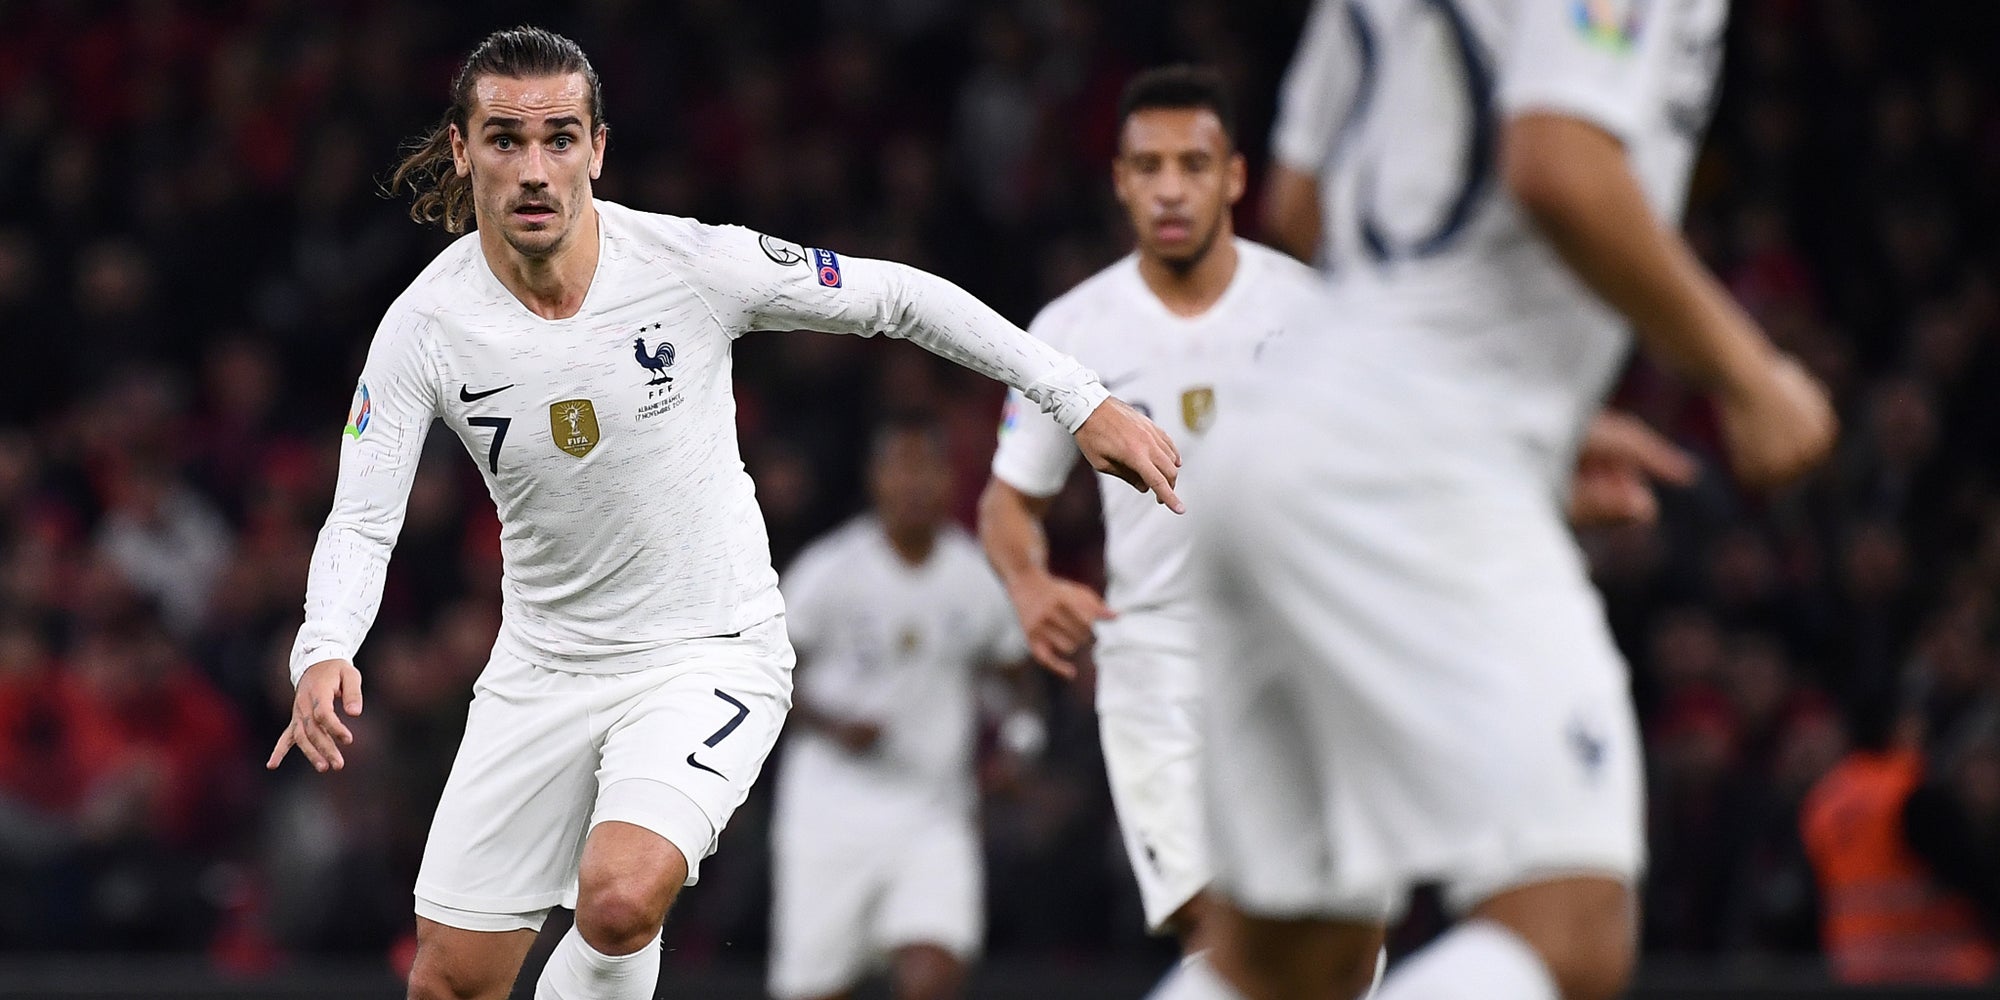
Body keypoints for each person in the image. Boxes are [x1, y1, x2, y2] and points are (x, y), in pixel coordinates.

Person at [262, 26, 1181, 1000]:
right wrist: (325, 646)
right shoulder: (424, 327)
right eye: (503, 140)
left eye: (560, 138)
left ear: (598, 149)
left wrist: (1077, 397)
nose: (534, 169)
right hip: (541, 667)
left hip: (706, 649)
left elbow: (897, 298)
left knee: (617, 898)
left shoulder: (689, 265)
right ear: (461, 150)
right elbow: (363, 516)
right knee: (450, 980)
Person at [1154, 2, 1837, 999]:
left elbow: (1302, 204)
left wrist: (1533, 413)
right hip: (1415, 456)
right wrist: (1750, 376)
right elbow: (1557, 162)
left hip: (1283, 427)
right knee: (1568, 923)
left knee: (1292, 959)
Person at [977, 66, 1353, 969]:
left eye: (1194, 162)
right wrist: (1027, 580)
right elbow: (1007, 499)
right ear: (1120, 180)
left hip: (1302, 647)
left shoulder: (1314, 311)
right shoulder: (1072, 328)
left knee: (1335, 939)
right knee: (1214, 926)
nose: (1172, 187)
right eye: (1149, 166)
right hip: (1156, 656)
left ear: (1234, 176)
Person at [768, 417, 1030, 1000]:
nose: (913, 484)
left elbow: (1014, 674)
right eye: (899, 468)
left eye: (925, 468)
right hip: (829, 814)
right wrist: (833, 725)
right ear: (876, 479)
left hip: (933, 812)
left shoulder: (974, 576)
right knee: (818, 987)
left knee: (935, 971)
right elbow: (768, 676)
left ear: (948, 479)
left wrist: (1019, 743)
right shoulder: (829, 571)